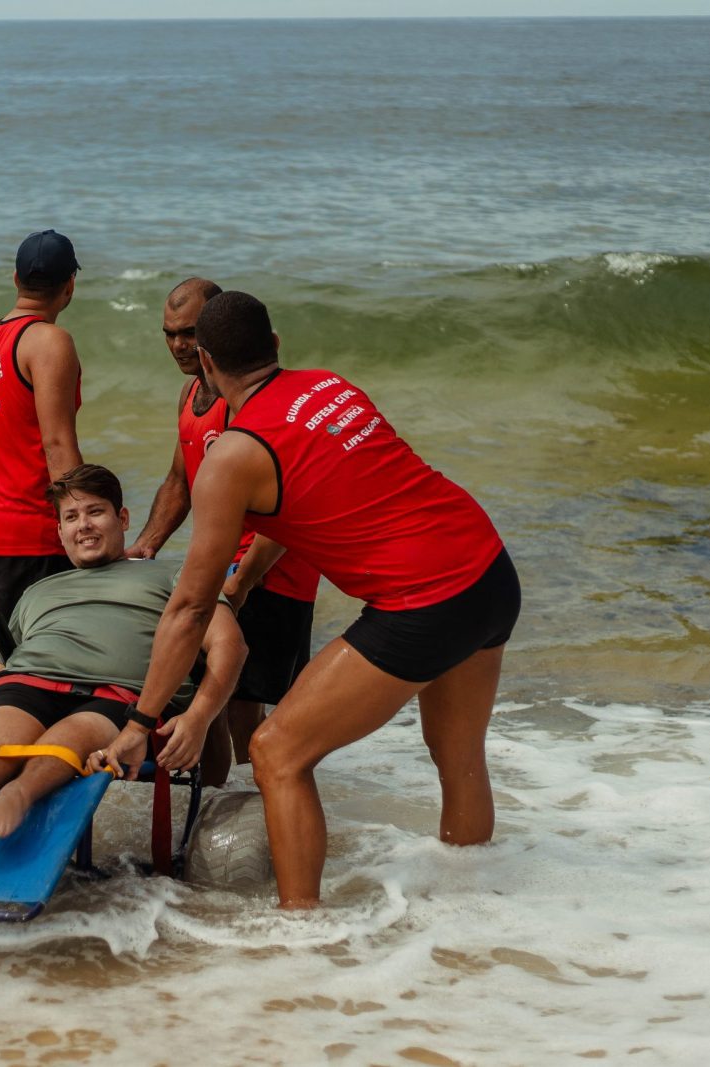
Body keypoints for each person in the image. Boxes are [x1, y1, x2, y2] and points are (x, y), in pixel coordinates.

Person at [93, 292, 520, 910]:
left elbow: (189, 608)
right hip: (488, 570)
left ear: (206, 361)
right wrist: (246, 581)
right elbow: (302, 504)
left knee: (276, 752)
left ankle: (301, 933)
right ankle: (470, 909)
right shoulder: (329, 387)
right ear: (275, 345)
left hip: (423, 603)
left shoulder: (232, 455)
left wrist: (140, 722)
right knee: (459, 756)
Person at [0, 464, 244, 838]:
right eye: (71, 517)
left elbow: (229, 645)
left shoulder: (175, 575)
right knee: (3, 721)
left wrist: (198, 718)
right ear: (60, 532)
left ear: (122, 519)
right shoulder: (38, 591)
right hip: (29, 682)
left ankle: (18, 794)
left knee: (75, 731)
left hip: (122, 698)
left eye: (95, 512)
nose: (83, 525)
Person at [127, 277, 321, 784]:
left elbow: (292, 504)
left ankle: (260, 803)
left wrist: (242, 582)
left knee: (244, 706)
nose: (178, 345)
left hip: (271, 572)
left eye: (189, 333)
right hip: (222, 571)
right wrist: (144, 547)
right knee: (209, 701)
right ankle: (220, 801)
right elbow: (179, 480)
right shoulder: (191, 393)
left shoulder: (248, 398)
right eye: (169, 333)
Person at [0, 228, 86, 660]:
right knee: (49, 662)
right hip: (37, 535)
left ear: (15, 280)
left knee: (9, 660)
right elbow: (57, 443)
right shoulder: (50, 340)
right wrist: (82, 523)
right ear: (70, 286)